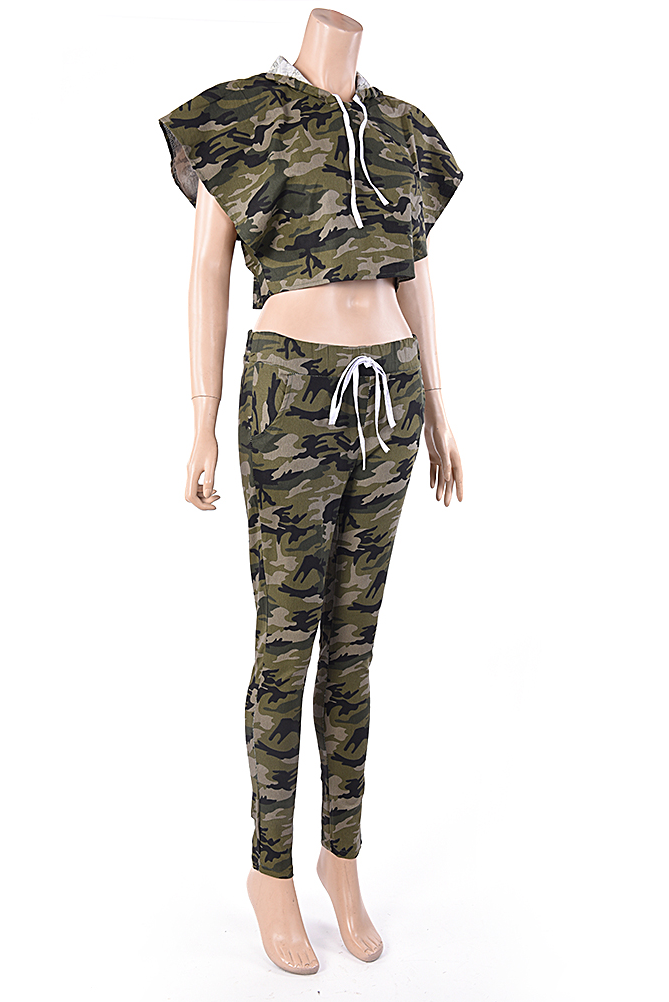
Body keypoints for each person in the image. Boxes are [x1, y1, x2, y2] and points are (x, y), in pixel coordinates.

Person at [159, 8, 465, 975]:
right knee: (286, 641)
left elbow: (415, 273)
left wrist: (442, 407)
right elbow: (207, 268)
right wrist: (202, 419)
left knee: (355, 647)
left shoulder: (404, 129)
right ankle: (269, 872)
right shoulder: (241, 113)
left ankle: (341, 857)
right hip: (290, 393)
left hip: (392, 399)